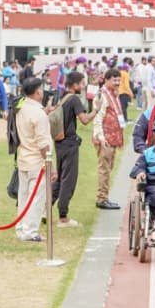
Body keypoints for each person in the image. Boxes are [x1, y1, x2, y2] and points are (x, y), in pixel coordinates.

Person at [54, 70, 94, 226]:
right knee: (68, 180)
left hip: (58, 141)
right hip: (70, 143)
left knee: (58, 179)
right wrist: (95, 110)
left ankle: (44, 209)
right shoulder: (74, 99)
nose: (83, 86)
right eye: (82, 83)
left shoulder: (61, 96)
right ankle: (63, 217)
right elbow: (84, 120)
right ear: (75, 84)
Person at [14, 77, 51, 242]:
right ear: (37, 92)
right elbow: (43, 144)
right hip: (37, 161)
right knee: (36, 198)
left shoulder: (21, 108)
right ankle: (30, 231)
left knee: (24, 197)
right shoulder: (38, 113)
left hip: (23, 158)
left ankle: (22, 228)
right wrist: (51, 165)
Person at [92, 67, 126, 210]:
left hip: (113, 137)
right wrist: (100, 137)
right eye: (114, 80)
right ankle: (102, 198)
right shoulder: (102, 95)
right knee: (104, 169)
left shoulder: (114, 93)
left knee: (108, 167)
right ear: (106, 80)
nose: (117, 82)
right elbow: (98, 118)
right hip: (105, 137)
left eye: (119, 79)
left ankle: (104, 197)